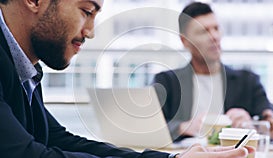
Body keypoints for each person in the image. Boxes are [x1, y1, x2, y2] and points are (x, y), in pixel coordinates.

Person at [0, 0, 255, 157]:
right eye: (86, 11)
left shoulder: (25, 69)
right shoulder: (169, 80)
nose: (90, 32)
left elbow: (58, 139)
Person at [153, 2, 273, 141]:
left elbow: (270, 124)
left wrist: (250, 123)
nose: (214, 36)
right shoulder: (167, 82)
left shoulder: (248, 81)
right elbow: (150, 129)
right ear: (185, 41)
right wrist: (184, 127)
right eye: (204, 31)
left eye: (216, 28)